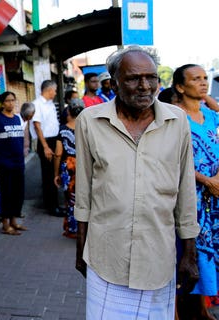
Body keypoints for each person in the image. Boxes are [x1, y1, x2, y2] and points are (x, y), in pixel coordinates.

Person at [74, 46, 200, 319]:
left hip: (158, 257)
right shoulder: (90, 121)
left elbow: (185, 189)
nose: (144, 86)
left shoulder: (177, 121)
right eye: (133, 78)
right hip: (106, 256)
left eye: (151, 77)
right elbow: (84, 192)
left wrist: (190, 253)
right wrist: (80, 248)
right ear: (114, 82)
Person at [172, 64, 219, 320]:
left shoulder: (210, 116)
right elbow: (172, 160)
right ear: (180, 86)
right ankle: (175, 311)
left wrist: (216, 180)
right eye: (196, 79)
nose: (203, 83)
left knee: (208, 249)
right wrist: (207, 181)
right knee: (184, 250)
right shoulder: (174, 116)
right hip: (189, 194)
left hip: (213, 196)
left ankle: (203, 307)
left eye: (205, 79)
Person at [0, 91, 28, 235]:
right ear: (3, 103)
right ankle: (5, 224)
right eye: (8, 101)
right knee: (6, 194)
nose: (11, 103)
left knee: (18, 193)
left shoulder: (17, 119)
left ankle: (14, 221)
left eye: (13, 100)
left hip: (18, 163)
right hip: (4, 163)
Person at [53, 98, 83, 239]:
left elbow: (58, 153)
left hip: (69, 166)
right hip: (84, 165)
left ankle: (72, 228)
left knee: (70, 199)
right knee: (84, 198)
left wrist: (56, 173)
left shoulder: (63, 129)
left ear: (68, 112)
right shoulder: (87, 128)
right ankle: (84, 228)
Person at [31, 79, 60, 215]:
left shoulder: (50, 104)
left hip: (54, 140)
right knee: (48, 174)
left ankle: (54, 203)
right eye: (54, 90)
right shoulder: (37, 105)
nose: (55, 93)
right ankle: (51, 207)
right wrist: (46, 147)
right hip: (45, 142)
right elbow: (37, 126)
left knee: (55, 172)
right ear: (49, 90)